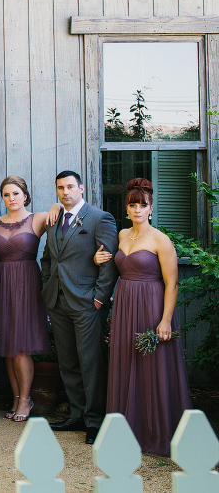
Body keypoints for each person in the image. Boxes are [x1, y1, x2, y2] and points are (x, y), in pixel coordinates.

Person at [98, 178, 190, 455]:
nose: (138, 209)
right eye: (132, 205)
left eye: (143, 205)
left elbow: (172, 284)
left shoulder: (161, 240)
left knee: (152, 367)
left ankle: (156, 431)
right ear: (126, 209)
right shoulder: (123, 235)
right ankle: (127, 430)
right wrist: (97, 259)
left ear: (151, 208)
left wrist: (165, 320)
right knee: (126, 361)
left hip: (151, 305)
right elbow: (114, 263)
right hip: (125, 305)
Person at [41, 170, 118, 445]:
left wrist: (99, 298)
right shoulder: (54, 219)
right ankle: (77, 414)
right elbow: (48, 258)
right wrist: (47, 285)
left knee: (91, 362)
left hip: (87, 303)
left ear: (81, 188)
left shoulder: (100, 218)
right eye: (60, 188)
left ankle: (96, 421)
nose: (65, 192)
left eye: (70, 187)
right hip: (58, 301)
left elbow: (108, 262)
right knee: (68, 361)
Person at [0, 176, 53, 422]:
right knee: (8, 348)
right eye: (6, 195)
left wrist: (55, 207)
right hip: (0, 286)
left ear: (25, 195)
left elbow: (63, 212)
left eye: (15, 193)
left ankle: (26, 398)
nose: (11, 199)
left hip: (27, 285)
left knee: (22, 347)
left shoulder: (39, 218)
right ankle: (16, 398)